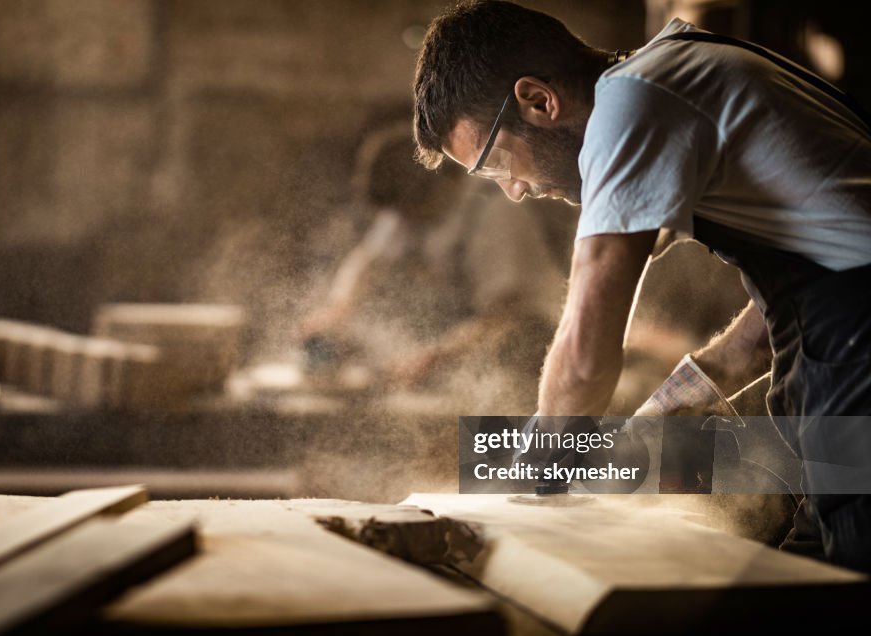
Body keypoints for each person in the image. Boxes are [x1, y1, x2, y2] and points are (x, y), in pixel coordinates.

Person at [412, 1, 871, 569]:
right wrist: (682, 400)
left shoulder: (632, 102)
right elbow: (799, 294)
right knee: (818, 565)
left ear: (538, 101)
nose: (514, 190)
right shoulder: (674, 73)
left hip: (858, 361)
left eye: (494, 163)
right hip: (847, 349)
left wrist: (526, 487)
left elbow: (584, 357)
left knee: (849, 585)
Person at [301, 122, 571, 413]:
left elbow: (504, 315)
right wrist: (338, 309)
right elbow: (368, 262)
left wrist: (434, 357)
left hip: (532, 341)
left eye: (409, 212)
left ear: (439, 186)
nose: (402, 222)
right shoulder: (410, 208)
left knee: (502, 427)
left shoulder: (495, 211)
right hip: (469, 338)